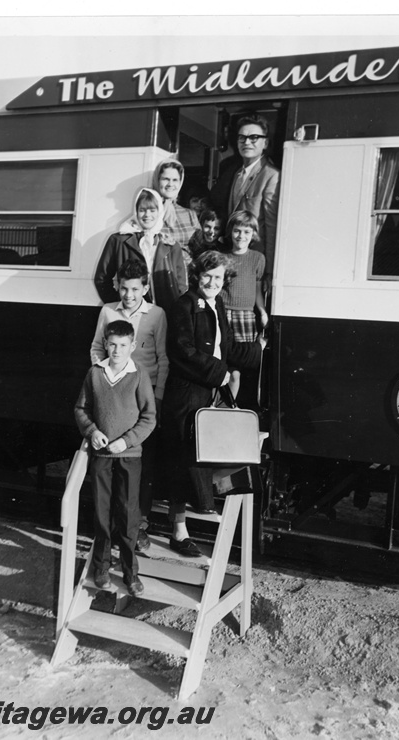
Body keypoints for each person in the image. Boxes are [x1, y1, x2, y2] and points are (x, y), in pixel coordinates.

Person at [161, 250, 266, 557]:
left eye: (218, 277)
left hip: (207, 391)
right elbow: (181, 351)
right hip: (187, 394)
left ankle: (203, 509)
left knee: (205, 454)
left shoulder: (217, 303)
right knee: (186, 457)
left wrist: (259, 351)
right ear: (197, 276)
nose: (212, 282)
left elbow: (228, 346)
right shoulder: (183, 306)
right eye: (207, 276)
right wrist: (220, 374)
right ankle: (179, 531)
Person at [90, 259, 168, 552]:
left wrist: (156, 400)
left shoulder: (157, 315)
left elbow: (163, 359)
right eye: (124, 288)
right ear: (117, 287)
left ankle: (138, 527)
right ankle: (108, 529)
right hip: (113, 399)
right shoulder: (108, 311)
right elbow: (97, 347)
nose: (129, 295)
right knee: (110, 463)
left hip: (142, 400)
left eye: (135, 289)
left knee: (140, 467)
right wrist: (103, 380)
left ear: (145, 287)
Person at [74, 320, 156, 596]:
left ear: (132, 346)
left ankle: (130, 572)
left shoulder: (139, 375)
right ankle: (101, 567)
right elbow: (81, 409)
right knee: (101, 512)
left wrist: (126, 441)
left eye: (123, 345)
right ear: (105, 344)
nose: (117, 350)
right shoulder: (95, 373)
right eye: (112, 344)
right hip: (101, 456)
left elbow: (149, 418)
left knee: (128, 513)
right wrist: (92, 431)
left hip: (129, 457)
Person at [212, 114, 280, 288]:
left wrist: (270, 270)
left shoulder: (271, 175)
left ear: (265, 143)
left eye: (254, 138)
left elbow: (271, 226)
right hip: (232, 256)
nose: (247, 142)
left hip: (255, 261)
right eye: (242, 137)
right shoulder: (234, 172)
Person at [94, 188, 187, 312]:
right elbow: (102, 278)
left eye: (152, 210)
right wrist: (119, 304)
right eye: (142, 210)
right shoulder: (118, 241)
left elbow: (182, 284)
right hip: (131, 314)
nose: (147, 215)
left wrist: (175, 309)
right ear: (136, 212)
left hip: (165, 314)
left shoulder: (170, 245)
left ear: (160, 212)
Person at [220, 210, 268, 404]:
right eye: (237, 231)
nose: (241, 236)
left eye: (246, 232)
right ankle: (215, 406)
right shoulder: (222, 257)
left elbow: (257, 288)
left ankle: (229, 408)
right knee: (221, 366)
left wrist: (262, 311)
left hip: (244, 318)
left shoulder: (257, 258)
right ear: (231, 232)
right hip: (223, 314)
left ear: (253, 234)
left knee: (236, 371)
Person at [152, 159, 201, 248]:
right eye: (166, 179)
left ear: (180, 182)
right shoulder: (150, 211)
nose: (170, 184)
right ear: (157, 180)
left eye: (175, 180)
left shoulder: (190, 214)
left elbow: (200, 247)